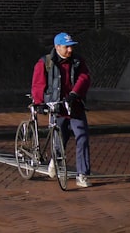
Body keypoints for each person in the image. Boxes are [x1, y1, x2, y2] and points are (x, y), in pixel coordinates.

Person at [31, 31, 92, 188]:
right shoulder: (46, 62)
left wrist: (74, 93)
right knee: (60, 139)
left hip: (74, 105)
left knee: (82, 137)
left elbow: (84, 77)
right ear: (57, 47)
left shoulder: (78, 61)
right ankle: (55, 160)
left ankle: (82, 174)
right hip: (56, 106)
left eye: (71, 47)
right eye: (66, 47)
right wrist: (39, 102)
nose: (70, 50)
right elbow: (38, 83)